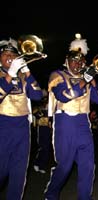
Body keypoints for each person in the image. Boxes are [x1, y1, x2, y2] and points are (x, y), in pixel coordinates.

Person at [44, 34, 98, 200]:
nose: (78, 64)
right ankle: (51, 193)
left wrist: (92, 80)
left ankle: (85, 197)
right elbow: (63, 95)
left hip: (83, 123)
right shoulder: (57, 75)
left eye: (81, 61)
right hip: (65, 123)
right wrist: (84, 81)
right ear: (67, 60)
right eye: (74, 60)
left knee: (88, 165)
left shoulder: (86, 77)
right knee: (65, 166)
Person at [0, 37, 43, 199]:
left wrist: (26, 71)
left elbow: (37, 94)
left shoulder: (24, 76)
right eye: (5, 53)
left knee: (19, 173)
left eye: (13, 53)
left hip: (23, 128)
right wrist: (9, 75)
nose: (9, 56)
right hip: (2, 126)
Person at [33, 91, 53, 174]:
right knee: (42, 147)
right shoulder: (38, 107)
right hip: (41, 128)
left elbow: (51, 119)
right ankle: (36, 163)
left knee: (47, 148)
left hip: (48, 129)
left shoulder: (50, 109)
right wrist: (43, 112)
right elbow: (36, 114)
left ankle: (41, 165)